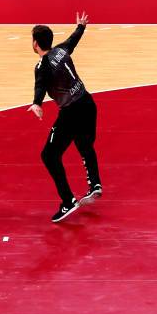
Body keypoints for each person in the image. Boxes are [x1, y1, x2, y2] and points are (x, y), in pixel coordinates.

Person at [28, 12, 102, 222]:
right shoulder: (60, 50)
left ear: (35, 44)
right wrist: (81, 27)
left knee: (49, 156)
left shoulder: (42, 65)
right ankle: (95, 183)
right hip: (88, 103)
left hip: (72, 111)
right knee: (84, 144)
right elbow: (73, 41)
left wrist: (37, 103)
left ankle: (67, 200)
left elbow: (40, 84)